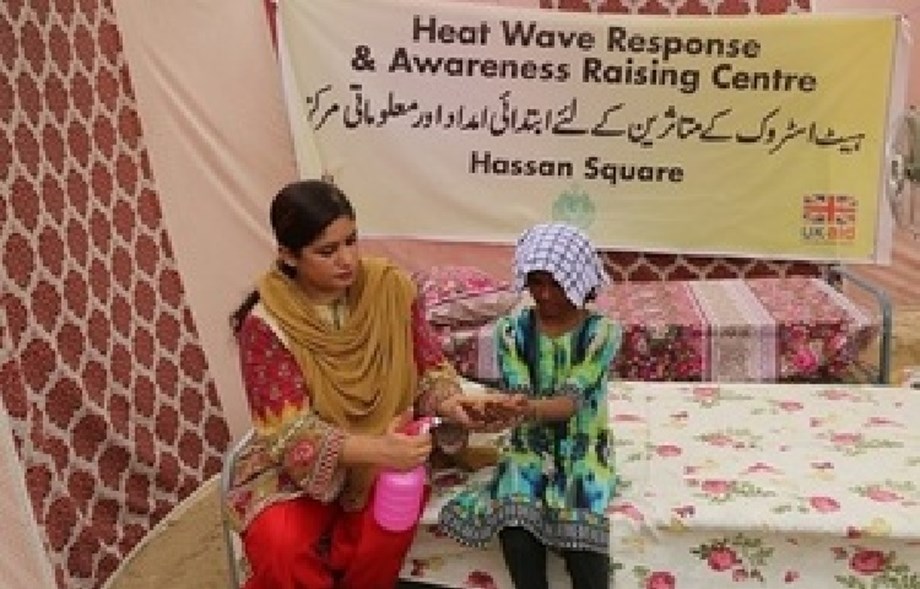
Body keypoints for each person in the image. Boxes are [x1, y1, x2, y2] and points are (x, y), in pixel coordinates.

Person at [226, 179, 488, 589]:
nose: (347, 260)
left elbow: (429, 372)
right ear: (288, 256)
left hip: (388, 447)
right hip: (295, 469)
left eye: (351, 241)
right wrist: (378, 449)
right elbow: (291, 436)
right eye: (327, 251)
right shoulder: (266, 325)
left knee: (388, 520)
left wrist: (448, 403)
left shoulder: (391, 290)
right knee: (279, 546)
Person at [438, 222, 622, 589]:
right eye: (537, 283)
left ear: (580, 282)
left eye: (557, 284)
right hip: (528, 446)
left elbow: (569, 402)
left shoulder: (602, 333)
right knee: (517, 529)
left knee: (582, 538)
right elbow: (518, 390)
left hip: (583, 447)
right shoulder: (511, 330)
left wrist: (522, 409)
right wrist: (498, 408)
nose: (545, 294)